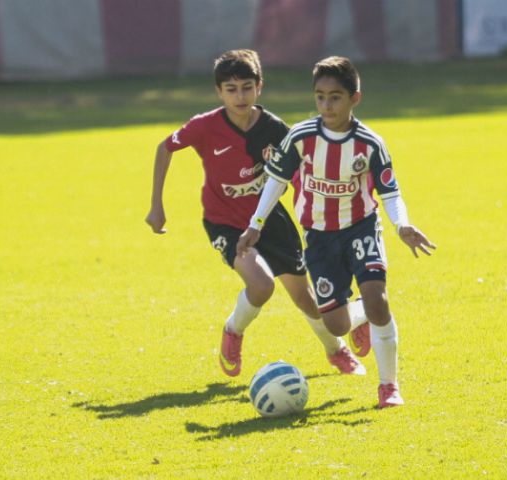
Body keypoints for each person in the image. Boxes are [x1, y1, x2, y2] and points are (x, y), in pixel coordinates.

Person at [145, 49, 370, 378]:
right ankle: (233, 330)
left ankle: (337, 348)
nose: (240, 96)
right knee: (262, 286)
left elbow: (299, 170)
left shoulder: (275, 128)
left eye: (247, 87)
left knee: (307, 299)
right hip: (226, 223)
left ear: (259, 87)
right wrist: (156, 205)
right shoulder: (204, 127)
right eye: (231, 89)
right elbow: (165, 147)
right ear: (219, 92)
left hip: (270, 221)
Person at [237, 56, 437, 408]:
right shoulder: (301, 137)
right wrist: (255, 224)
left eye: (335, 97)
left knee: (379, 301)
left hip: (361, 228)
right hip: (319, 237)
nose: (327, 105)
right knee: (336, 325)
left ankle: (388, 386)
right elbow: (276, 181)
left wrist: (401, 224)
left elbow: (390, 191)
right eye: (320, 96)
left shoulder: (370, 143)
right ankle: (359, 313)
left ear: (354, 98)